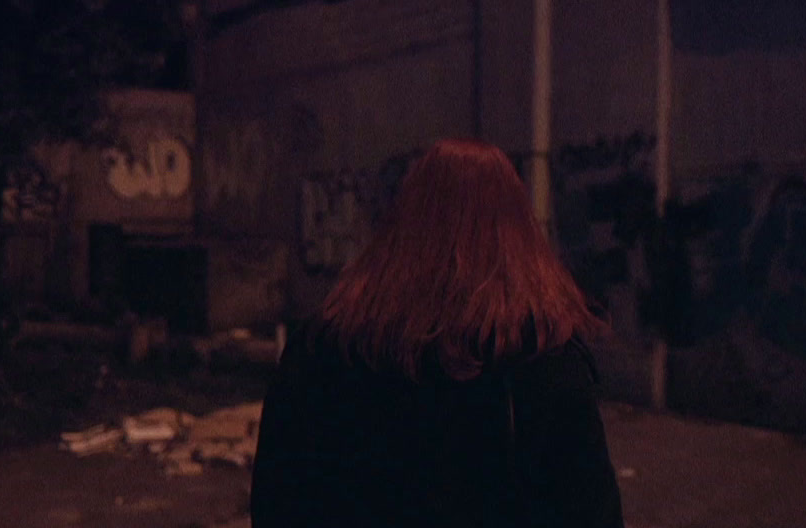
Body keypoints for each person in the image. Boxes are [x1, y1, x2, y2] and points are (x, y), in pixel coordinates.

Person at [251, 138, 624, 527]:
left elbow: (277, 502)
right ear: (519, 235)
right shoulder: (547, 365)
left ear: (401, 226)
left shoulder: (322, 351)